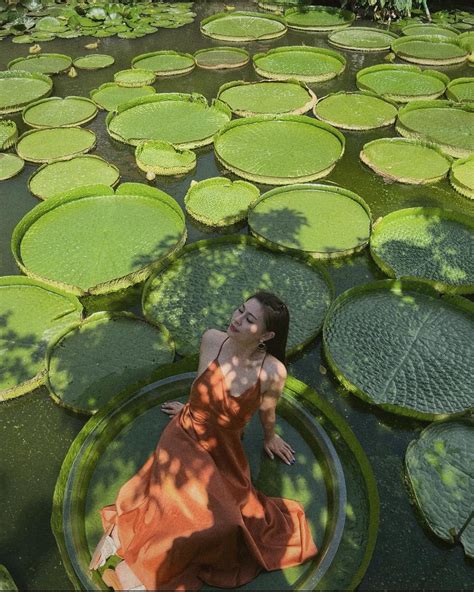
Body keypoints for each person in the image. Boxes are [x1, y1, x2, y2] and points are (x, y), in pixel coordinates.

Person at [89, 291, 318, 590]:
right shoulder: (212, 339)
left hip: (224, 451)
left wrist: (270, 437)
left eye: (249, 319)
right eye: (239, 309)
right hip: (184, 436)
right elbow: (201, 384)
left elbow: (268, 409)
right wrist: (188, 407)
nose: (237, 319)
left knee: (224, 523)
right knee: (175, 505)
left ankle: (141, 555)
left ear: (267, 334)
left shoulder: (272, 371)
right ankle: (133, 551)